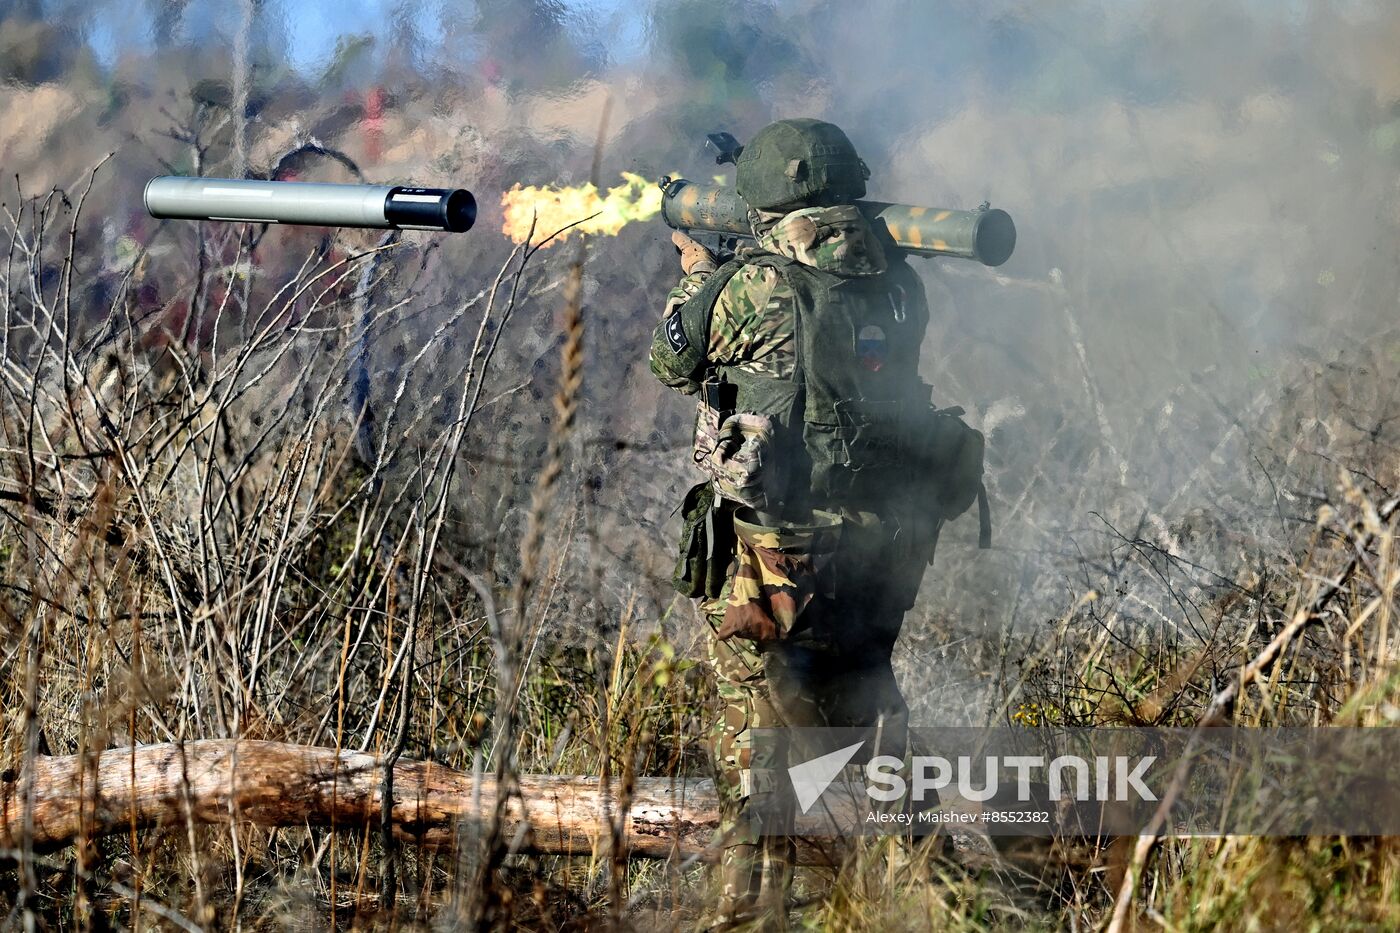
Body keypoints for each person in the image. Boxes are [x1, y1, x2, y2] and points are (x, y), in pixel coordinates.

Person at [649, 118, 982, 922]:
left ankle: (747, 908)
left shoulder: (748, 286)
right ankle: (941, 890)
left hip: (776, 555)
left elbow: (674, 360)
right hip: (884, 541)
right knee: (872, 706)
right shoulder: (900, 281)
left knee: (754, 738)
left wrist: (699, 275)